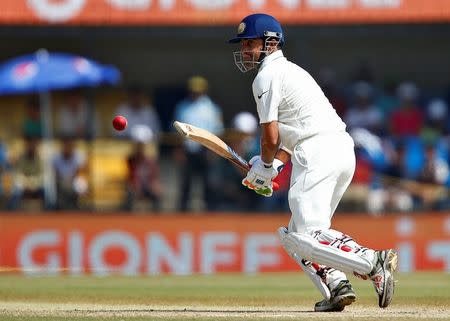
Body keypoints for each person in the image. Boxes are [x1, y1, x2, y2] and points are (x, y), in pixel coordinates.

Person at [229, 13, 397, 312]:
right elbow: (291, 137)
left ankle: (373, 261)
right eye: (243, 45)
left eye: (250, 43)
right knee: (296, 233)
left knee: (304, 235)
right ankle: (336, 285)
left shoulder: (266, 76)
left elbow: (270, 136)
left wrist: (264, 168)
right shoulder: (293, 71)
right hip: (338, 150)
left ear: (271, 42)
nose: (245, 51)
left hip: (318, 151)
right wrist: (275, 166)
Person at [173, 76, 224, 211]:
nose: (195, 94)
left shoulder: (212, 108)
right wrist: (179, 149)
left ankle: (210, 213)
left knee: (209, 183)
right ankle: (183, 213)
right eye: (193, 91)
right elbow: (177, 129)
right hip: (188, 148)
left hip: (206, 149)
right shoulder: (182, 106)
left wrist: (214, 151)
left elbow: (217, 130)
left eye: (198, 91)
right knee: (186, 184)